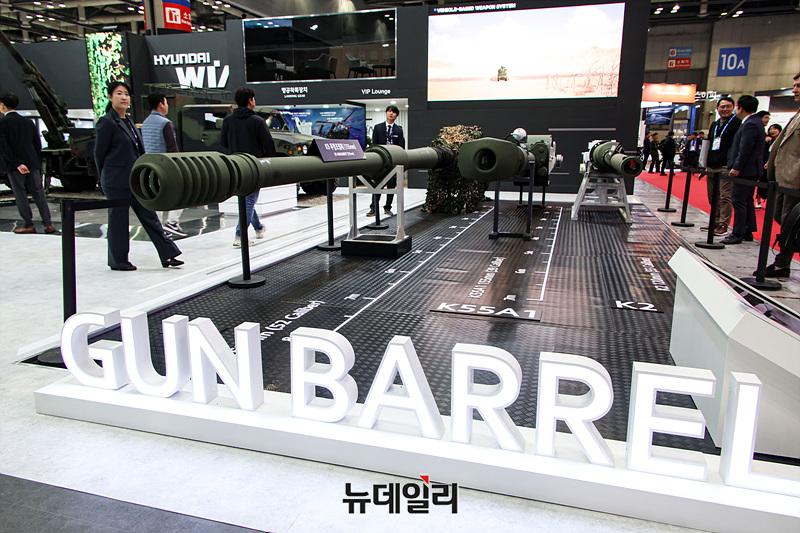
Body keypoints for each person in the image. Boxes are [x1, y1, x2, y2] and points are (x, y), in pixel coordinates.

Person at [94, 81, 183, 271]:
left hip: (135, 179)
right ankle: (118, 261)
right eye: (119, 93)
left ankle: (168, 253)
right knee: (118, 221)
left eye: (126, 94)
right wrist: (102, 178)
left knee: (150, 216)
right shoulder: (107, 122)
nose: (124, 97)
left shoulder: (129, 122)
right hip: (116, 181)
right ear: (110, 97)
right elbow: (99, 154)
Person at [220, 86, 275, 247]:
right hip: (253, 167)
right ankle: (240, 235)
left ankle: (258, 227)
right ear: (250, 101)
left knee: (246, 199)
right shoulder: (257, 121)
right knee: (249, 200)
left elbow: (223, 142)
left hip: (235, 165)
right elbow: (268, 145)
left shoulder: (228, 120)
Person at [0, 92, 56, 235]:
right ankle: (48, 224)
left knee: (20, 194)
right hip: (32, 164)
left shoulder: (2, 123)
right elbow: (37, 144)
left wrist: (17, 164)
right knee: (39, 193)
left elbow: (4, 147)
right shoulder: (28, 122)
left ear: (3, 105)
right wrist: (33, 161)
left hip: (15, 166)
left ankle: (28, 224)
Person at [761, 72, 800, 278]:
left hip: (795, 179)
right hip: (782, 177)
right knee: (781, 217)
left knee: (790, 223)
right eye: (794, 85)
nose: (794, 90)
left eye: (798, 86)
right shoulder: (797, 114)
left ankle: (782, 264)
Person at [721, 95, 765, 245]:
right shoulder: (756, 122)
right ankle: (747, 230)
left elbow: (745, 149)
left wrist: (736, 167)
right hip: (751, 169)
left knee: (739, 200)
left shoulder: (750, 124)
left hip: (746, 170)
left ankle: (738, 233)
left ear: (740, 108)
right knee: (746, 200)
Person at [141, 91, 185, 238]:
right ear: (161, 104)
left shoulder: (145, 123)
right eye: (166, 103)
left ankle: (159, 228)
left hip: (149, 167)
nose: (167, 106)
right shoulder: (165, 123)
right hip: (165, 166)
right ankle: (172, 222)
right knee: (182, 191)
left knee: (156, 197)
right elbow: (172, 148)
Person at [703, 96, 741, 236]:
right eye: (722, 106)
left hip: (726, 165)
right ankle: (715, 220)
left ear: (733, 108)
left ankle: (724, 224)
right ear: (717, 108)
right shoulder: (715, 124)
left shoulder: (737, 124)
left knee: (725, 196)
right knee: (713, 196)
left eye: (728, 106)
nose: (725, 109)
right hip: (712, 164)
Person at [368, 105, 405, 217]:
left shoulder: (399, 130)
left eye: (393, 112)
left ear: (396, 115)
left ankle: (388, 208)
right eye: (389, 111)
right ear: (386, 113)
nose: (391, 113)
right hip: (381, 163)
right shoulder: (378, 127)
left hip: (393, 163)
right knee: (377, 185)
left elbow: (401, 146)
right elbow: (374, 144)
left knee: (391, 186)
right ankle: (373, 208)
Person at [757, 123, 783, 209]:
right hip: (764, 164)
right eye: (771, 129)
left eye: (775, 129)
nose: (773, 131)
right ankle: (758, 200)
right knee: (762, 182)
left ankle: (772, 202)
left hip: (776, 165)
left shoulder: (782, 141)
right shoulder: (766, 140)